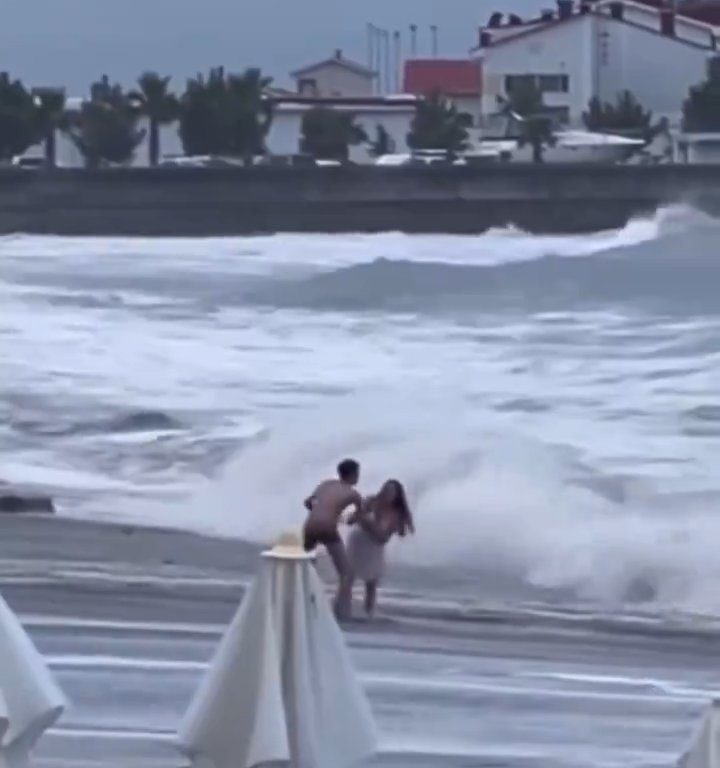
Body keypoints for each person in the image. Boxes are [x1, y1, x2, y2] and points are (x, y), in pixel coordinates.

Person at [302, 458, 362, 619]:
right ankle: (341, 611)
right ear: (353, 475)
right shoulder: (353, 493)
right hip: (327, 527)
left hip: (309, 526)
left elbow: (308, 503)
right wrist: (345, 518)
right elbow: (359, 516)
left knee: (306, 568)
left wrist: (322, 511)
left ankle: (304, 602)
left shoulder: (326, 484)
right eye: (358, 474)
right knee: (347, 573)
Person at [347, 479, 414, 619]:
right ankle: (343, 608)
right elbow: (352, 520)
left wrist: (369, 523)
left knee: (371, 581)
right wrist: (360, 517)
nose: (388, 493)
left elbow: (386, 536)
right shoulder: (371, 501)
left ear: (397, 495)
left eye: (392, 491)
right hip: (359, 541)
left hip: (375, 546)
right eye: (386, 489)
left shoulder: (396, 513)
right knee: (349, 577)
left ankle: (369, 612)